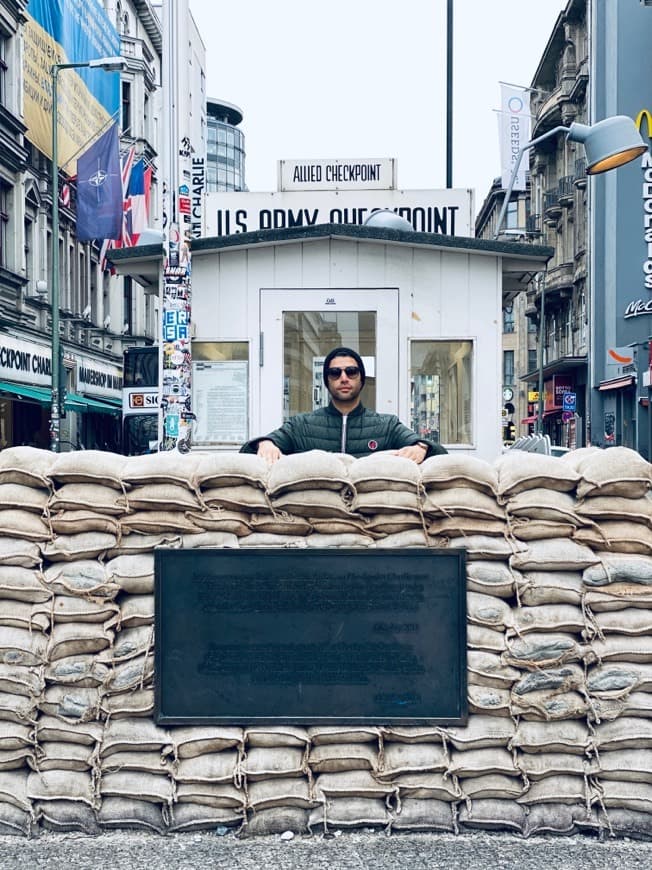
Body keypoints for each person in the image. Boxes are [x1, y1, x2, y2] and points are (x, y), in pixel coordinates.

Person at [240, 346, 447, 464]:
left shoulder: (387, 425)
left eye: (351, 371)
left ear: (361, 379)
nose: (344, 378)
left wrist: (421, 448)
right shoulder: (302, 425)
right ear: (327, 381)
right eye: (335, 373)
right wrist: (265, 444)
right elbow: (248, 451)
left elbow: (438, 453)